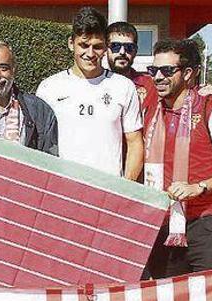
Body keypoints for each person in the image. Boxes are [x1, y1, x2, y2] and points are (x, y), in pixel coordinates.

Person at [142, 38, 212, 278]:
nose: (158, 77)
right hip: (162, 221)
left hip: (206, 222)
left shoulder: (211, 109)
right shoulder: (149, 110)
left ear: (188, 73)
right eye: (153, 70)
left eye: (167, 70)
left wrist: (199, 187)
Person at [36, 7, 143, 179]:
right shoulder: (49, 88)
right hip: (63, 190)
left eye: (98, 47)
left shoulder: (123, 86)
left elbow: (135, 142)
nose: (90, 54)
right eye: (84, 45)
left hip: (108, 193)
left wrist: (125, 188)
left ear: (106, 47)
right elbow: (39, 144)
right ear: (71, 43)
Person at [106, 21, 157, 123]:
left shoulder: (151, 85)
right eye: (115, 46)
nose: (122, 52)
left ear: (135, 51)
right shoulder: (95, 83)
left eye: (129, 47)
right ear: (105, 49)